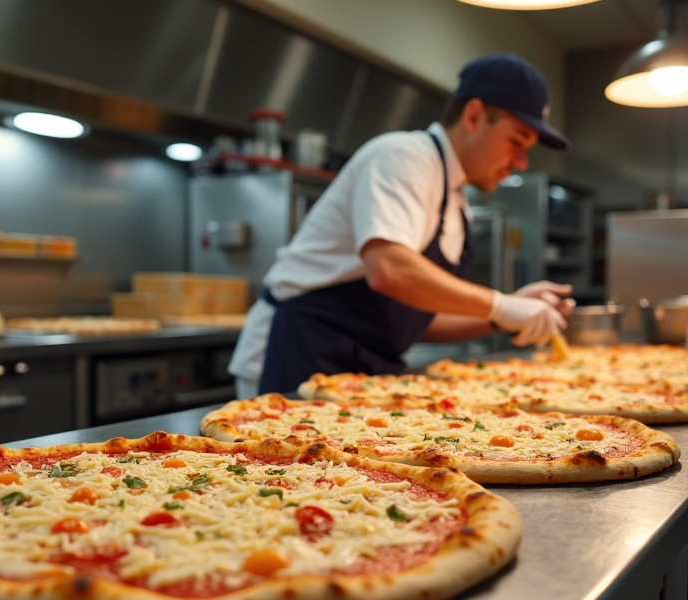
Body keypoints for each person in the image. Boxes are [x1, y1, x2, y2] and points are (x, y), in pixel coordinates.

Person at [229, 53, 575, 398]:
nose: (521, 162)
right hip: (298, 350)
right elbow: (389, 269)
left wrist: (506, 315)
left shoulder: (456, 201)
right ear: (473, 115)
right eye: (517, 141)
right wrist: (501, 304)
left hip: (361, 371)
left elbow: (417, 321)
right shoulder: (403, 158)